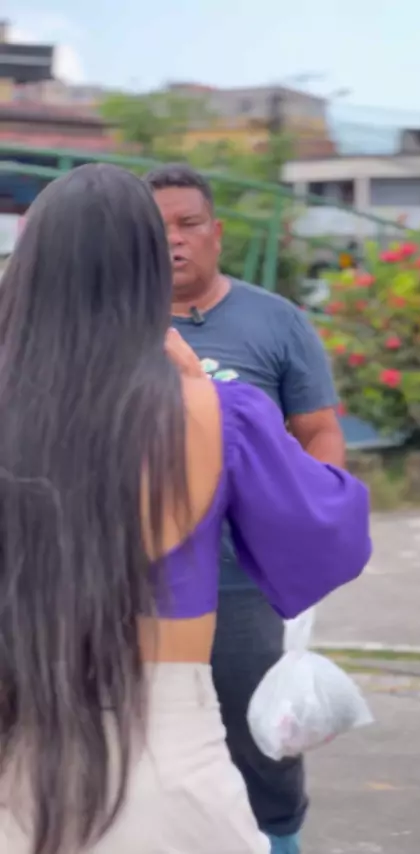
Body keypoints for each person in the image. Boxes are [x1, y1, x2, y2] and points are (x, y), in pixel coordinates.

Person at [0, 163, 371, 854]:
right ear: (146, 268)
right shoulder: (220, 413)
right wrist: (202, 385)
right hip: (169, 763)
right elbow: (333, 538)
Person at [146, 163, 346, 854]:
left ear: (218, 232)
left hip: (244, 574)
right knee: (142, 736)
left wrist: (312, 526)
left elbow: (317, 431)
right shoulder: (110, 323)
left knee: (262, 733)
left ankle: (279, 840)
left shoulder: (273, 320)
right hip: (134, 575)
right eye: (157, 229)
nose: (175, 240)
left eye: (189, 224)